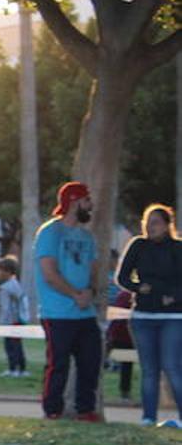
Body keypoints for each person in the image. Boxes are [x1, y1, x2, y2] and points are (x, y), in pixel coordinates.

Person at [33, 181, 102, 421]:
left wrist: (90, 293)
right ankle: (52, 410)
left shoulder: (87, 236)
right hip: (57, 313)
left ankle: (86, 410)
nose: (90, 205)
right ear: (73, 201)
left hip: (86, 314)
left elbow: (93, 271)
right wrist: (75, 295)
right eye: (86, 200)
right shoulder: (50, 232)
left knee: (90, 362)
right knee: (58, 364)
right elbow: (49, 273)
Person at [115, 203, 182, 426]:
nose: (149, 227)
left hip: (172, 317)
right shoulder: (138, 245)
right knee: (149, 370)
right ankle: (148, 418)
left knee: (172, 367)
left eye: (155, 223)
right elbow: (122, 277)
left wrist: (174, 297)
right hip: (143, 316)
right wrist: (137, 287)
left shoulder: (177, 248)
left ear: (166, 225)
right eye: (147, 222)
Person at [0, 255, 29, 378]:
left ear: (7, 272)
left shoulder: (5, 288)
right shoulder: (16, 284)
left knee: (10, 346)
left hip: (11, 321)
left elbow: (5, 308)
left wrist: (1, 322)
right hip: (19, 319)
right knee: (18, 345)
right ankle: (22, 369)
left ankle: (12, 369)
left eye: (0, 270)